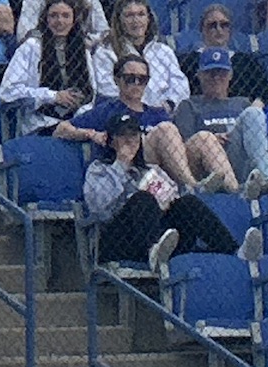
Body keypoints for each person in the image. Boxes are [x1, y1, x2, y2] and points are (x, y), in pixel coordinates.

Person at [82, 110, 252, 272]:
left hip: (161, 234)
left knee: (187, 203)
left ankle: (234, 251)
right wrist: (121, 166)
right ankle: (153, 250)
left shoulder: (151, 170)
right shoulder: (99, 170)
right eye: (122, 135)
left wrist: (167, 201)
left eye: (133, 135)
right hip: (121, 240)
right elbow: (99, 208)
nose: (129, 140)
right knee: (143, 199)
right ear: (112, 141)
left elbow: (173, 197)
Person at [57, 57, 207, 199]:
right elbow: (61, 129)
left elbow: (176, 147)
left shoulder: (157, 113)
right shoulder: (107, 110)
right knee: (165, 129)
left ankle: (229, 192)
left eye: (141, 80)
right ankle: (193, 187)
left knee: (205, 138)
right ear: (117, 80)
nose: (136, 83)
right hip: (136, 164)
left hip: (166, 169)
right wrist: (90, 133)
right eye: (130, 79)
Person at [175, 48, 268, 202]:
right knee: (204, 138)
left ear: (231, 75)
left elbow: (256, 141)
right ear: (199, 75)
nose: (216, 77)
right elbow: (183, 146)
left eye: (222, 72)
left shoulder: (242, 103)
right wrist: (210, 140)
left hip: (237, 156)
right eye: (210, 72)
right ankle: (246, 187)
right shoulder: (189, 105)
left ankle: (266, 174)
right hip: (207, 167)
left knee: (254, 113)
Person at [0, 0, 108, 136]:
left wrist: (79, 104)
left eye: (66, 16)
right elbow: (7, 92)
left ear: (73, 20)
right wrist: (53, 96)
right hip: (42, 123)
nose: (59, 21)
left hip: (79, 119)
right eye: (54, 16)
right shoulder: (31, 47)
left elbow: (92, 92)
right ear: (45, 19)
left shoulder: (81, 50)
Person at [95, 0, 188, 111]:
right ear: (119, 21)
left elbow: (180, 84)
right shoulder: (106, 53)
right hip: (124, 113)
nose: (136, 20)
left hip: (164, 112)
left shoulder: (163, 51)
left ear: (149, 18)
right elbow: (107, 90)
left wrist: (170, 103)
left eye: (141, 14)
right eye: (129, 15)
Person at [180, 4, 268, 103]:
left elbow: (266, 94)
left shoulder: (247, 62)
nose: (219, 30)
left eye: (224, 25)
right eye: (212, 25)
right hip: (200, 113)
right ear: (203, 30)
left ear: (230, 30)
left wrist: (257, 105)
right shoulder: (188, 61)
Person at [15, 0, 103, 41]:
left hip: (82, 48)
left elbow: (104, 33)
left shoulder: (91, 2)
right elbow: (24, 34)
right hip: (44, 48)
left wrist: (87, 42)